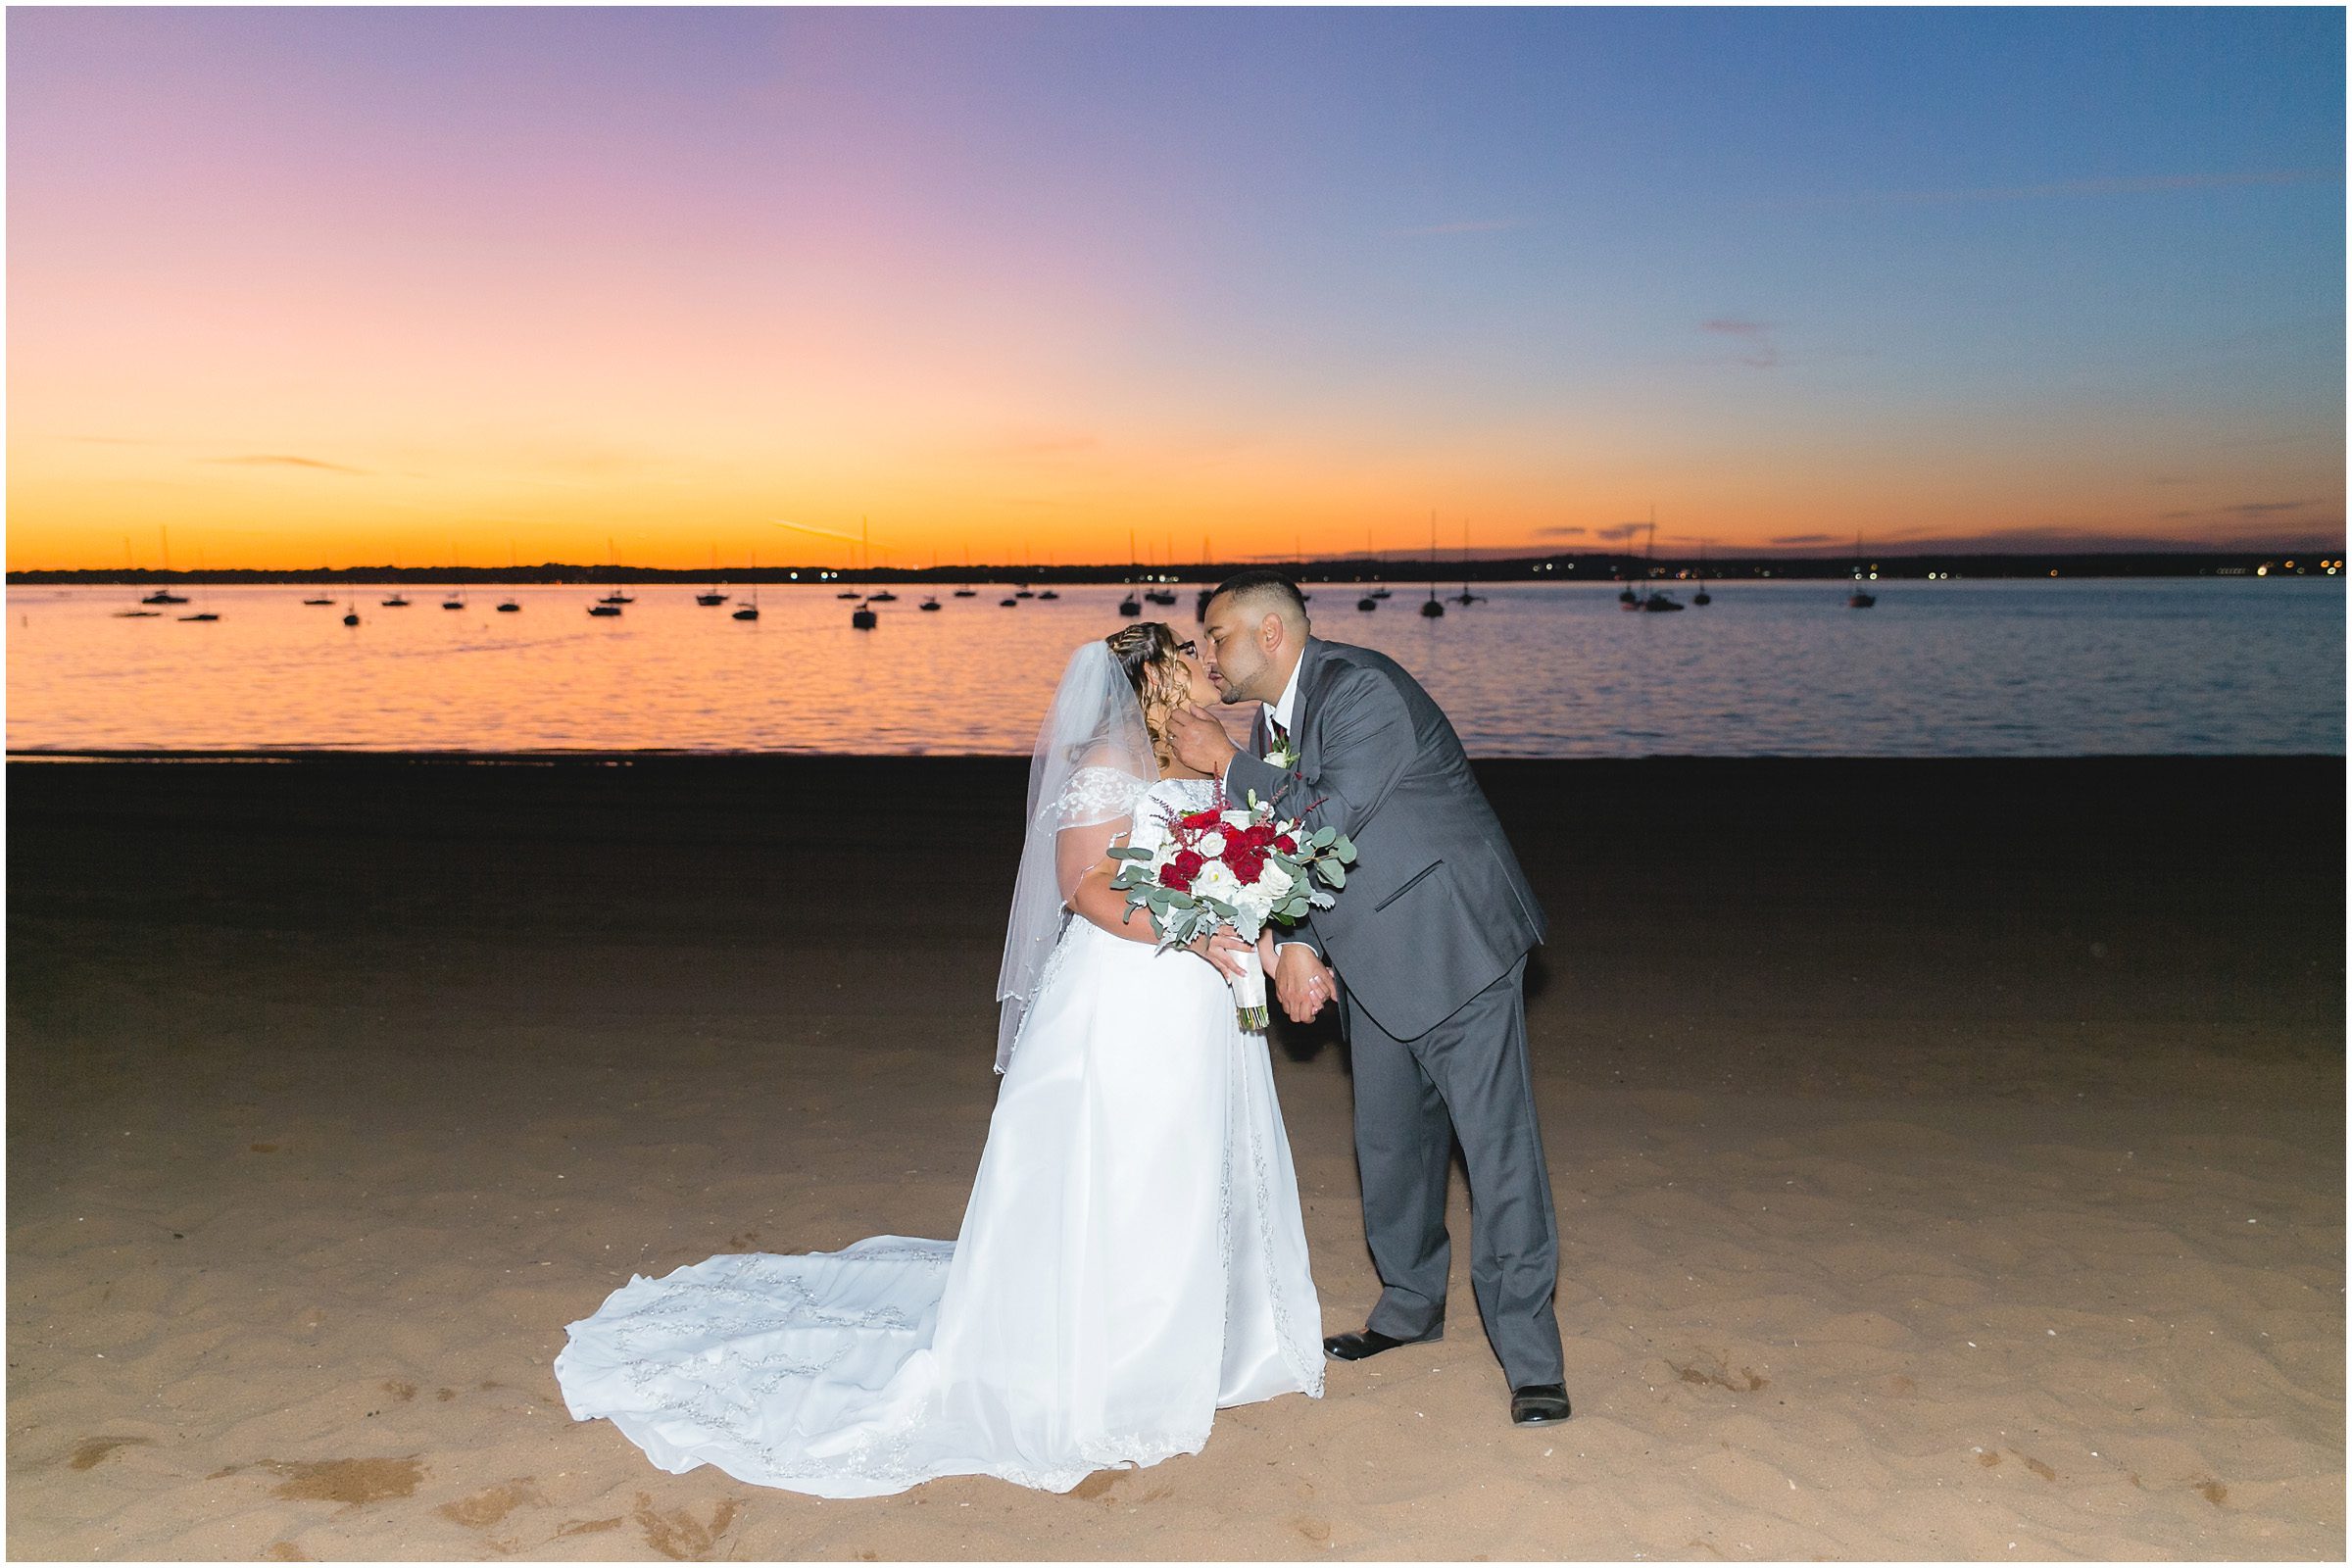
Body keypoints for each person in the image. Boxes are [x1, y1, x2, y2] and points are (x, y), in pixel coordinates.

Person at [553, 623, 1323, 1496]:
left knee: (1187, 1161)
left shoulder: (1212, 759)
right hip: (1126, 991)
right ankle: (1112, 1349)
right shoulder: (1110, 760)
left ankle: (1197, 1334)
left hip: (1200, 1000)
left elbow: (1247, 868)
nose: (1205, 663)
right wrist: (1190, 930)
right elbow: (1086, 887)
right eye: (1187, 653)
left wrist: (1269, 949)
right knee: (1122, 1161)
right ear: (1152, 676)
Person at [1166, 569, 1570, 1427]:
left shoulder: (1361, 689)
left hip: (1454, 945)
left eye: (1217, 637)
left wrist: (1224, 763)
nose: (1209, 655)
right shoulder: (1274, 723)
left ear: (1271, 633)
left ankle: (1533, 1361)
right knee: (1390, 1148)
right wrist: (1302, 942)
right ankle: (1409, 1308)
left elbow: (1323, 817)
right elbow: (1297, 860)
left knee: (1497, 1156)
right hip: (1370, 956)